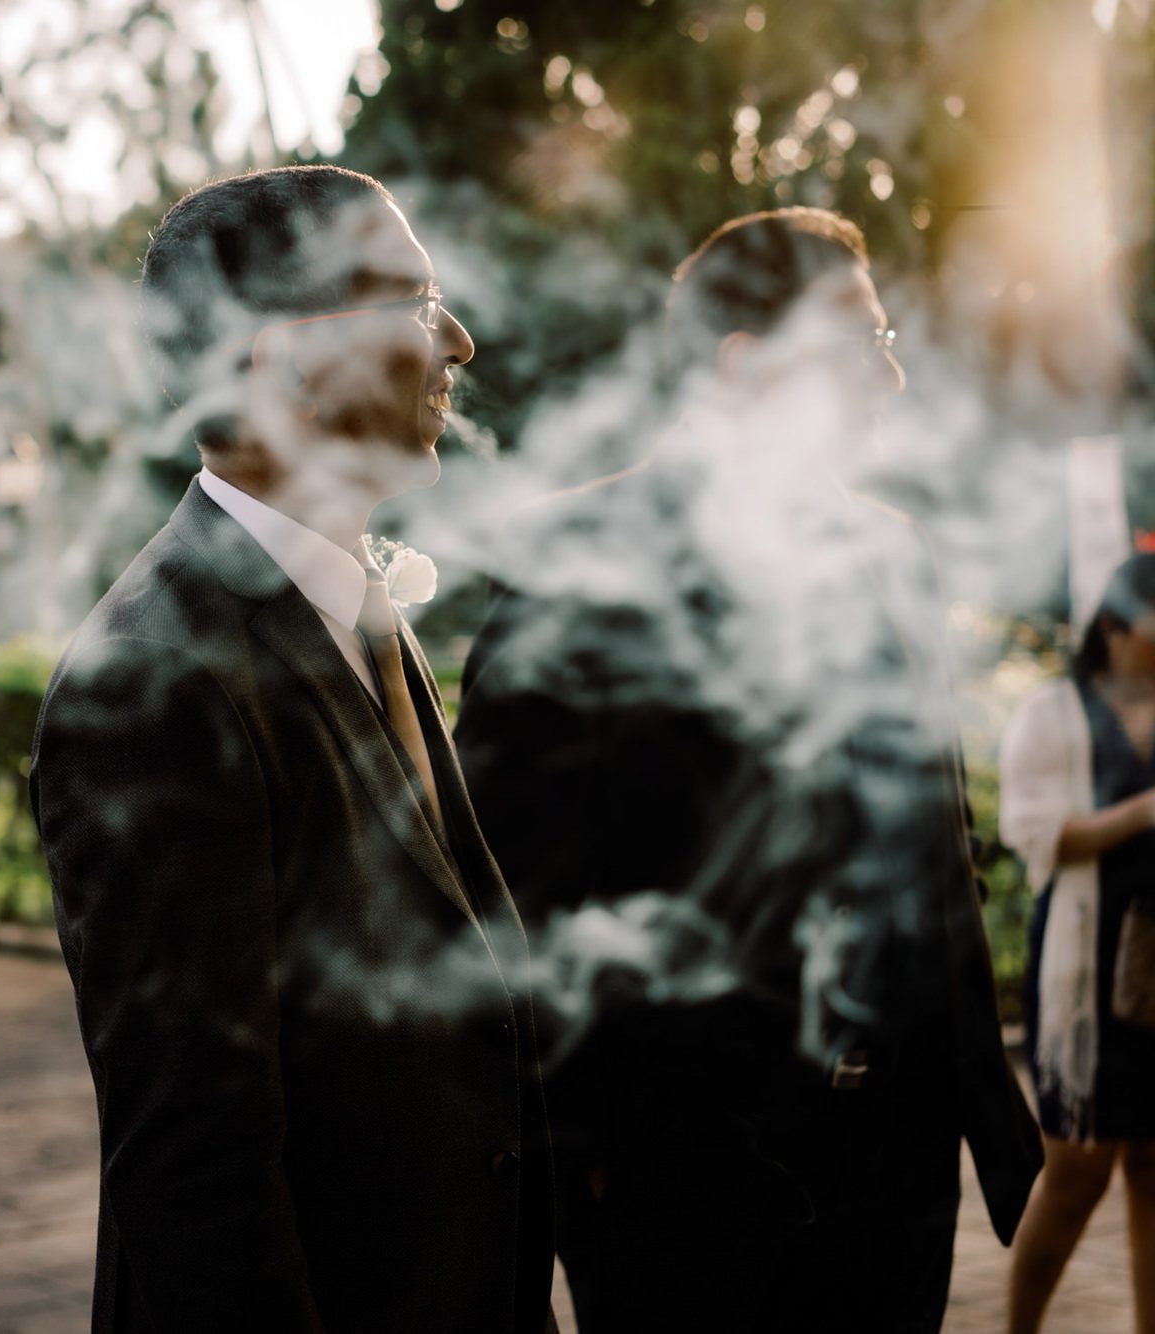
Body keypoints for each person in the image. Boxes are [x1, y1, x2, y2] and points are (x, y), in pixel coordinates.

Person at [453, 207, 1041, 1332]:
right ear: (747, 362)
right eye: (861, 342)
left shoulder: (890, 550)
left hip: (896, 1167)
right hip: (678, 1181)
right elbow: (512, 889)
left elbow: (933, 836)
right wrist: (579, 1150)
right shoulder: (578, 565)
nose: (891, 377)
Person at [29, 164, 555, 1331]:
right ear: (281, 362)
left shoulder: (347, 599)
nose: (456, 339)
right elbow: (196, 1167)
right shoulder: (150, 684)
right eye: (413, 302)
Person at [1002, 553, 1155, 1332]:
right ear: (1116, 627)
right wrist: (1141, 815)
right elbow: (1027, 832)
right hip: (1083, 971)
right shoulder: (1054, 709)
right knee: (1074, 1178)